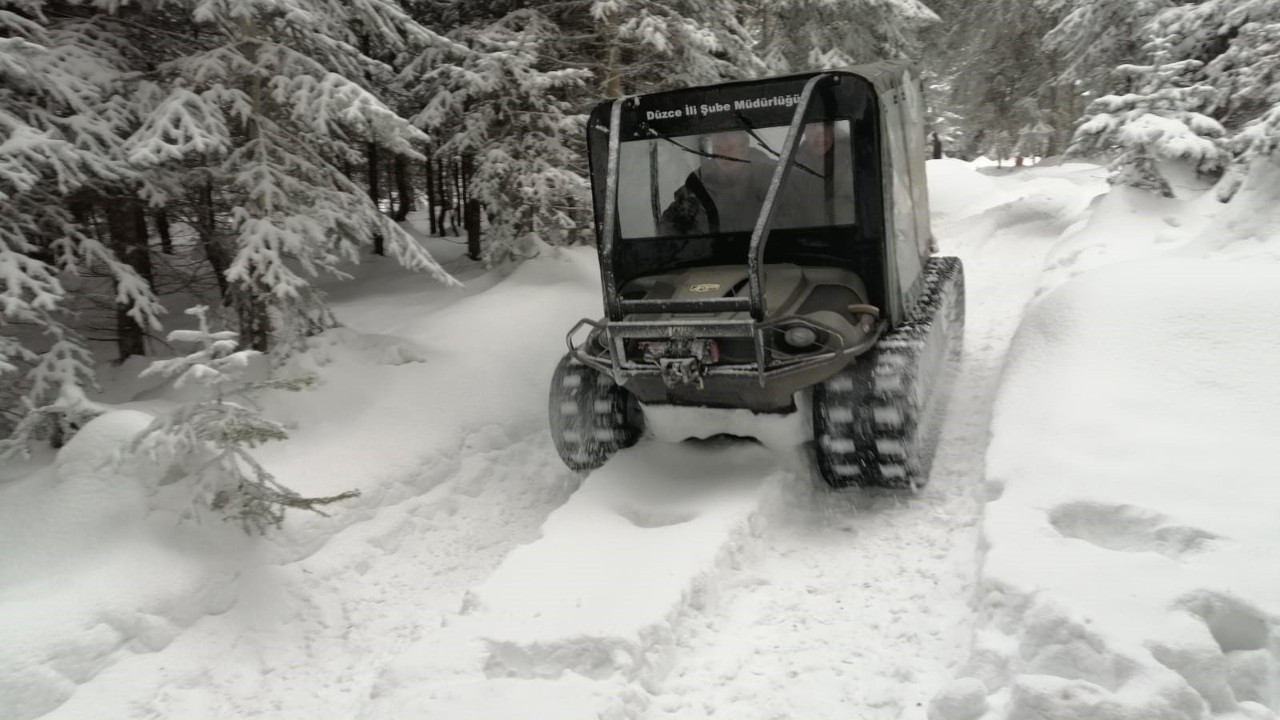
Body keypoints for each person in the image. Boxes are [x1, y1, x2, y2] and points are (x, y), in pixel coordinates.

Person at [659, 131, 777, 235]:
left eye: (730, 148)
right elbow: (670, 226)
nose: (723, 155)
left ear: (744, 147)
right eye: (718, 148)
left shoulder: (775, 179)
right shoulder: (698, 185)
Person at [777, 121, 855, 229]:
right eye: (813, 125)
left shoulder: (853, 162)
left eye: (825, 125)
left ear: (834, 129)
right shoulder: (789, 169)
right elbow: (786, 215)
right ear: (804, 130)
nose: (820, 132)